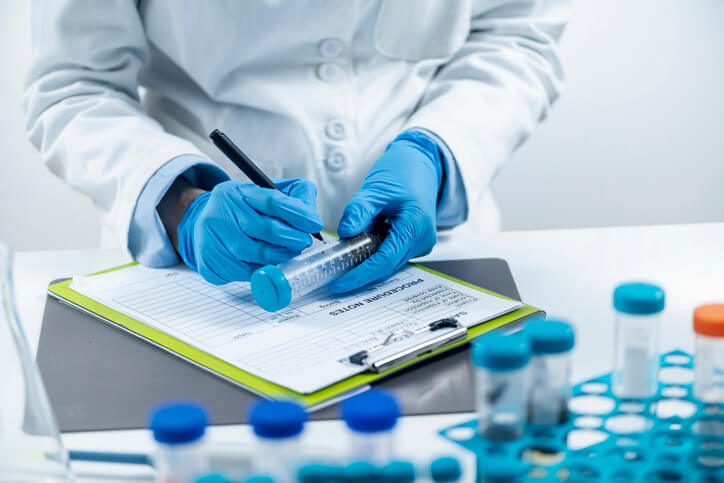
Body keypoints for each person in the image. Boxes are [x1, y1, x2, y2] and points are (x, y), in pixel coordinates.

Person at [24, 0, 568, 292]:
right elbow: (73, 83)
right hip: (204, 275)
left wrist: (434, 153)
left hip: (432, 251)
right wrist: (179, 205)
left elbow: (514, 37)